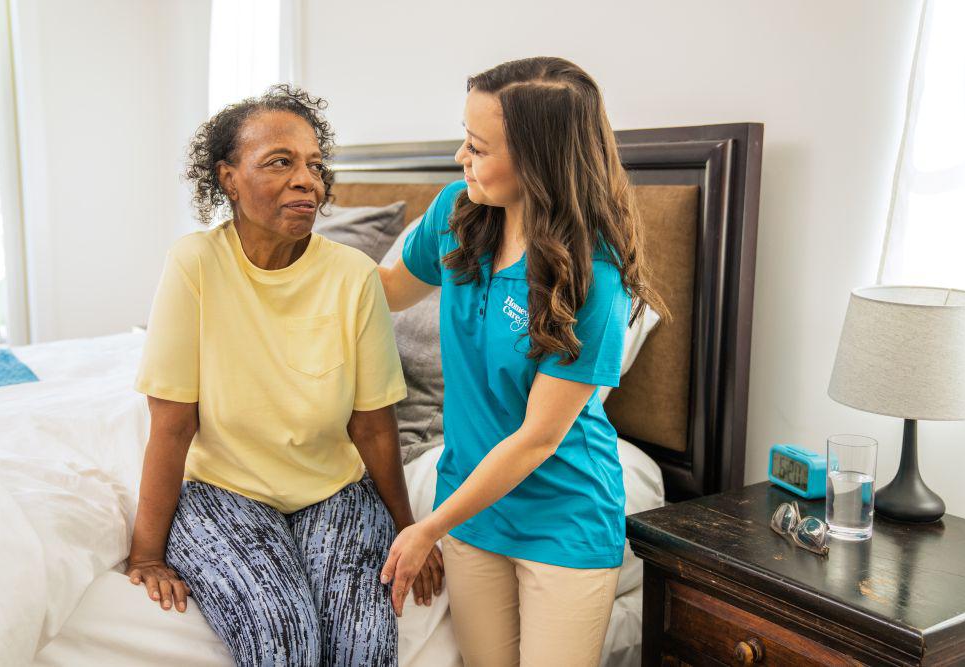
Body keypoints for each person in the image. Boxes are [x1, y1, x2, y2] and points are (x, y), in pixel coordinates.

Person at [125, 84, 442, 667]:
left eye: (315, 166)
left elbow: (373, 425)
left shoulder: (354, 276)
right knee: (284, 640)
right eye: (280, 162)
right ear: (228, 177)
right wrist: (146, 554)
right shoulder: (195, 264)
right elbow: (172, 425)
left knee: (363, 649)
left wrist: (407, 527)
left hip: (335, 492)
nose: (307, 181)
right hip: (223, 492)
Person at [378, 57, 668, 666]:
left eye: (478, 147)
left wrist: (427, 527)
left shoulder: (596, 277)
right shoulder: (459, 212)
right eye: (465, 137)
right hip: (473, 507)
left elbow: (537, 439)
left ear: (537, 161)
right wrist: (286, 258)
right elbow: (386, 291)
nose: (461, 156)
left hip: (561, 518)